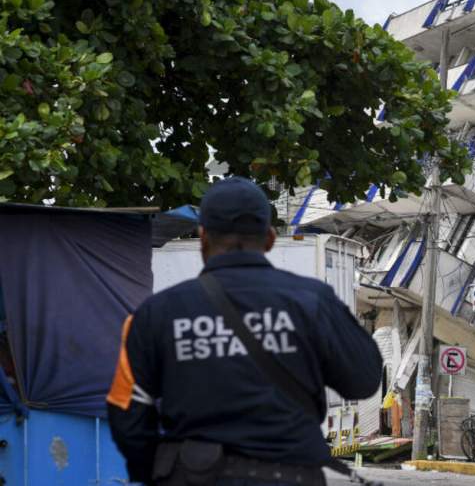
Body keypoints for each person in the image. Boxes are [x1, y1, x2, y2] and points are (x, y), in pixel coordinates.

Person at [107, 177, 383, 485]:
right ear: (269, 238)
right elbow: (364, 380)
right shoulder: (313, 302)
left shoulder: (155, 314)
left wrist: (163, 472)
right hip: (291, 475)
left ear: (202, 237)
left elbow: (126, 413)